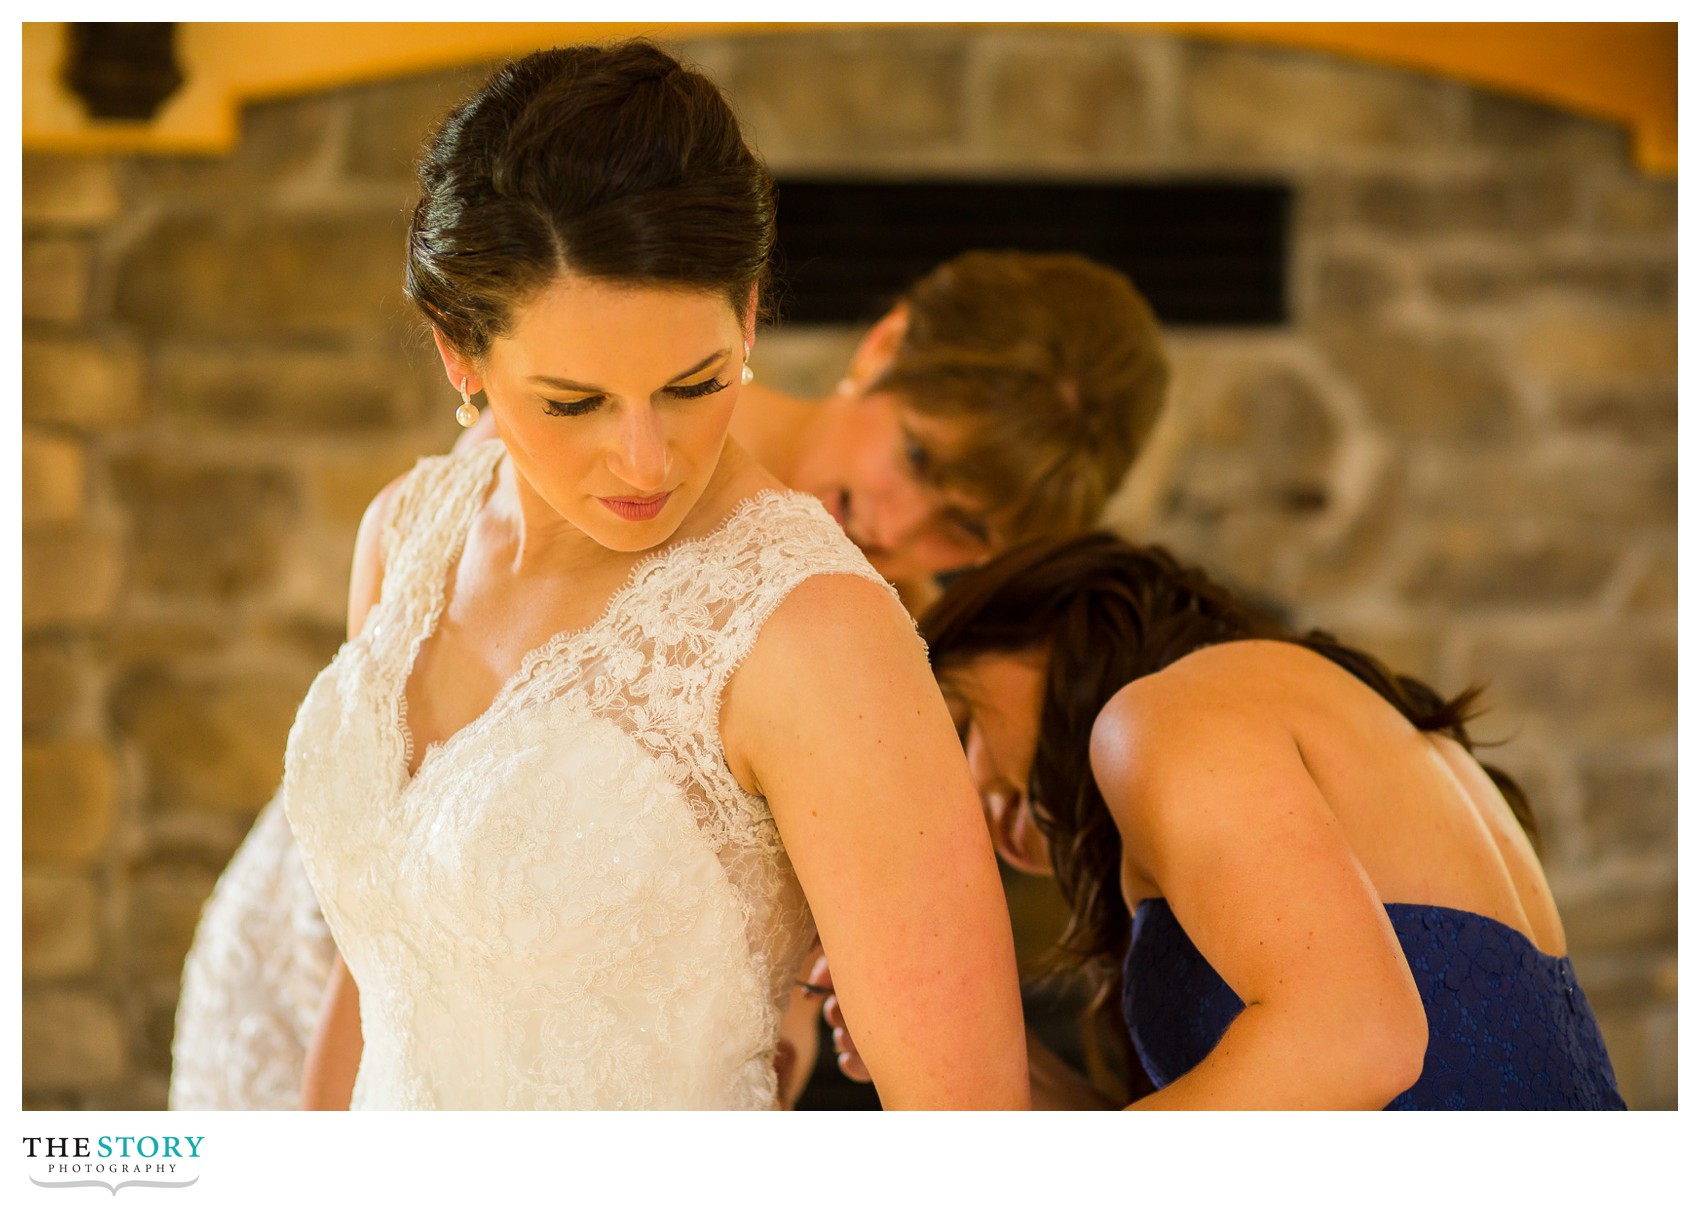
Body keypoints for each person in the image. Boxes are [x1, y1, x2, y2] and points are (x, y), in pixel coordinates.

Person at [170, 254, 1168, 1105]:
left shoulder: (851, 644)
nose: (902, 525)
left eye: (968, 529)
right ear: (881, 348)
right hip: (322, 937)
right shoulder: (521, 465)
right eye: (916, 456)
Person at [252, 40, 1030, 1111]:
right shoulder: (404, 535)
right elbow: (382, 953)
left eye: (694, 384)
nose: (646, 463)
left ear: (749, 317)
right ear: (458, 355)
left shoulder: (815, 635)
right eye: (574, 402)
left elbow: (969, 1126)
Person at [829, 532, 1625, 1109]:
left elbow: (1355, 1041)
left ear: (1050, 624)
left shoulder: (1165, 711)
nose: (955, 791)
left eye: (955, 723)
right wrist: (982, 1049)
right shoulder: (1316, 715)